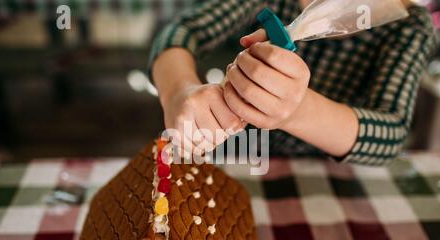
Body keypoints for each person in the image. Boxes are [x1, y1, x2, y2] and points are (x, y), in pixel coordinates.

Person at [149, 0, 436, 166]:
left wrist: (297, 110)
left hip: (331, 183)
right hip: (240, 159)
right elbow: (182, 31)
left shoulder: (408, 26)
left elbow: (391, 132)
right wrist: (178, 91)